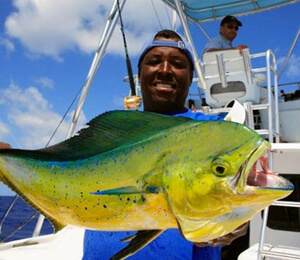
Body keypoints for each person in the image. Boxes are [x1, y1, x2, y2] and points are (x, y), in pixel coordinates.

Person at [0, 29, 248, 260]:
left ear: (191, 76)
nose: (165, 69)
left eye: (178, 63)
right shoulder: (117, 132)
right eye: (154, 61)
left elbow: (243, 194)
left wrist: (237, 222)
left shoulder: (212, 133)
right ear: (139, 75)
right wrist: (9, 159)